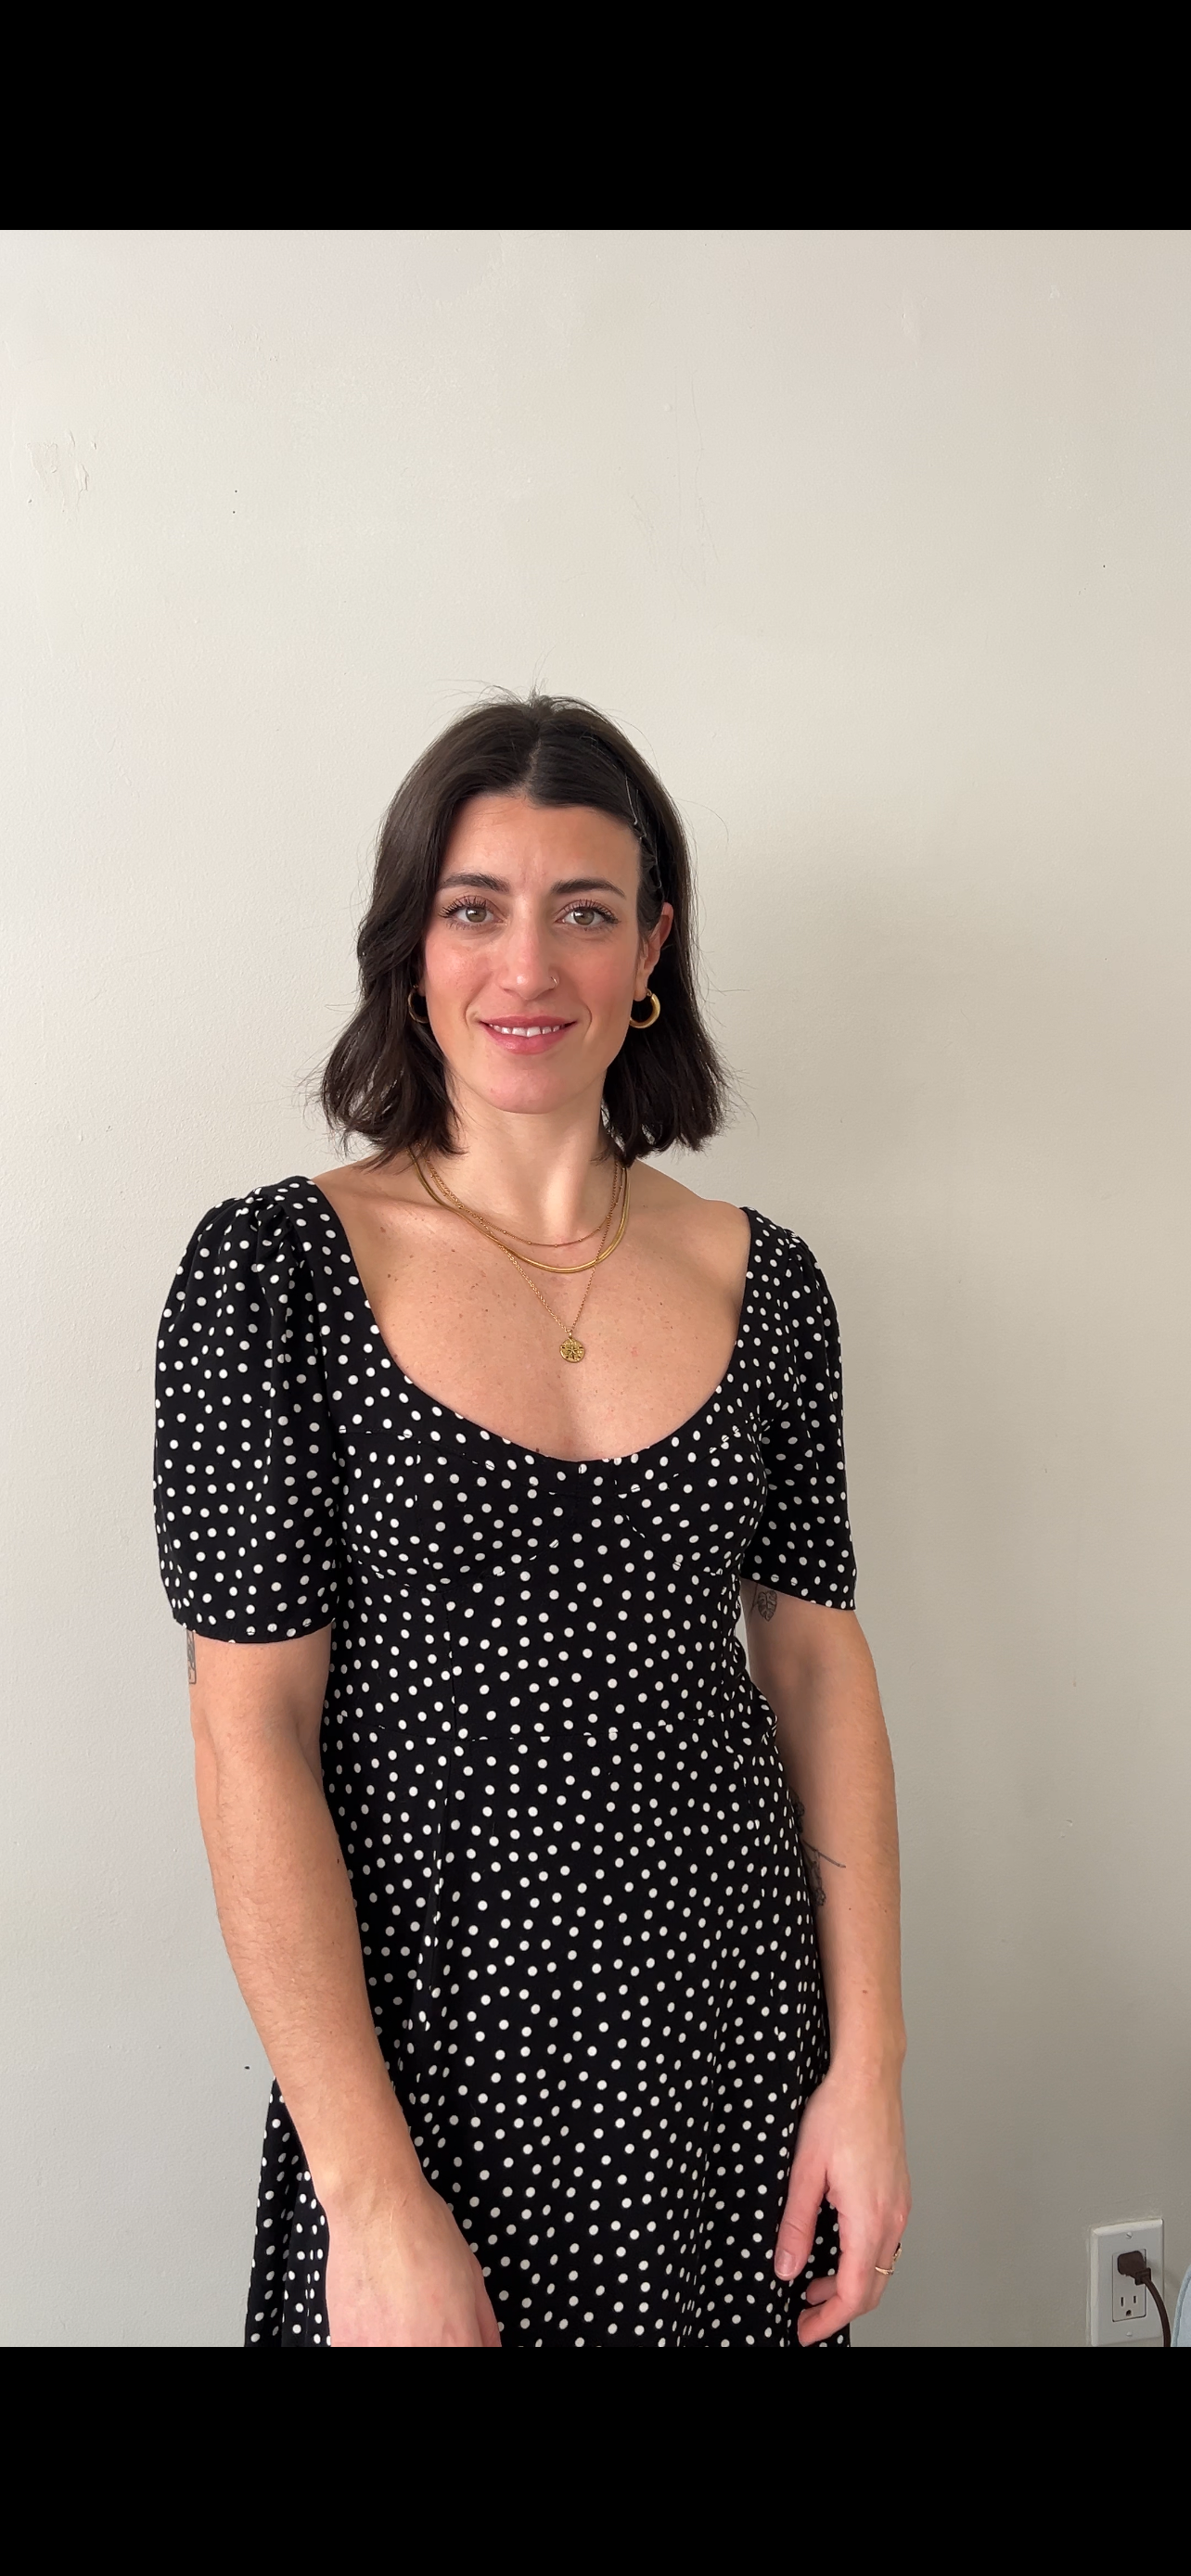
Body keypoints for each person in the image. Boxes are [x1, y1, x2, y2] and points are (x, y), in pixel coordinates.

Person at [154, 694, 910, 2347]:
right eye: (474, 908)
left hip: (731, 2059)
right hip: (425, 2090)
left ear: (652, 950)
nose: (529, 966)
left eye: (584, 910)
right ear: (410, 950)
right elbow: (247, 1738)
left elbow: (815, 1664)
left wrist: (867, 2069)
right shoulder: (273, 1274)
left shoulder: (767, 1280)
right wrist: (370, 2193)